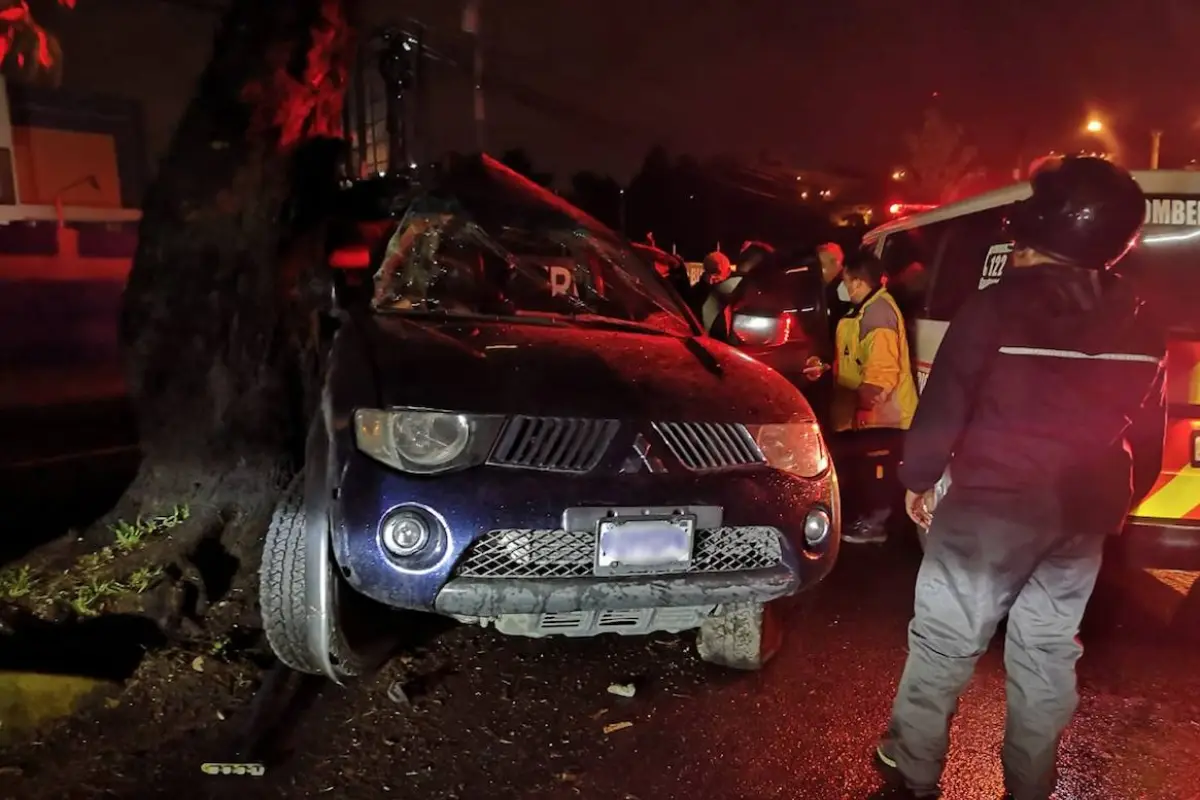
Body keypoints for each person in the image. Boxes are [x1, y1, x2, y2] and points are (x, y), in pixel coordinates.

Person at [872, 156, 1168, 800]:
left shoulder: (995, 307)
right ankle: (1030, 784)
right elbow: (1146, 438)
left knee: (946, 642)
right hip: (1082, 514)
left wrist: (917, 480)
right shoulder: (1144, 321)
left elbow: (945, 406)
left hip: (990, 511)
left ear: (1043, 224)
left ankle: (913, 771)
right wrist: (1114, 504)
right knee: (1047, 650)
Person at [829, 251, 919, 545]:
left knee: (878, 473)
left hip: (884, 415)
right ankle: (871, 519)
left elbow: (882, 374)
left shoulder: (877, 312)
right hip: (872, 414)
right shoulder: (866, 310)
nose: (843, 287)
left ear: (857, 282)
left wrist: (858, 406)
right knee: (870, 471)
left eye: (845, 281)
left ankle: (875, 524)